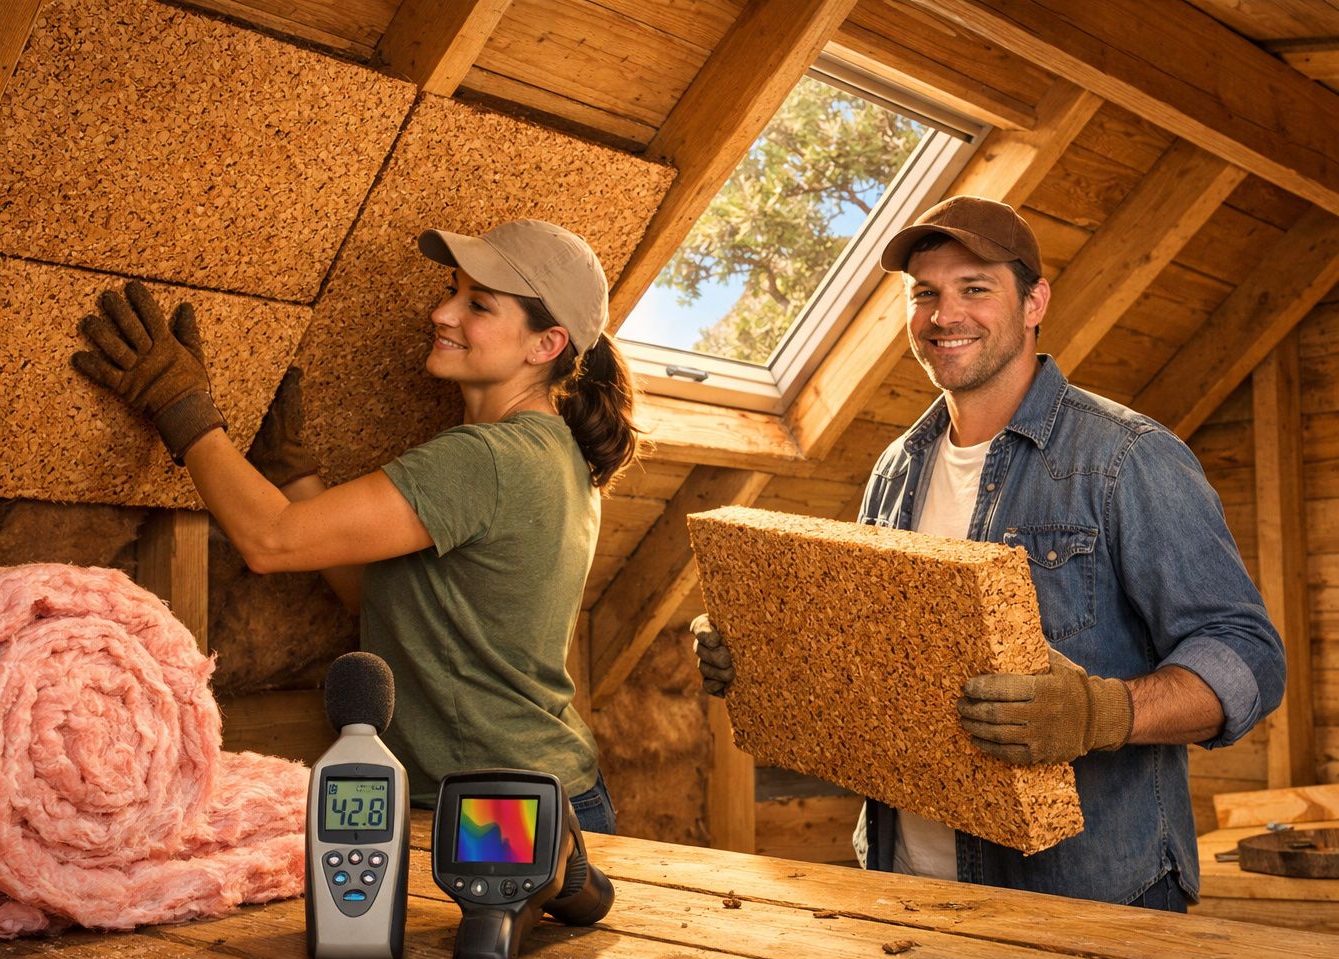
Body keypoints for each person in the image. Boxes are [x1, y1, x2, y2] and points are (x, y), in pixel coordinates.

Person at [691, 195, 1285, 908]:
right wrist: (764, 652)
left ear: (1035, 302)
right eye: (926, 295)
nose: (945, 316)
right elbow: (875, 661)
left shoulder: (1127, 459)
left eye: (975, 289)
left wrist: (1103, 713)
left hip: (1087, 898)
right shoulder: (895, 469)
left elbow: (1249, 656)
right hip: (902, 881)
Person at [72, 219, 640, 834]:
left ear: (546, 345)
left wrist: (177, 403)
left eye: (477, 305)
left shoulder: (485, 460)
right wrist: (294, 475)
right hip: (540, 790)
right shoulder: (554, 453)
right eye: (453, 290)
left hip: (497, 810)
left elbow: (269, 540)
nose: (442, 313)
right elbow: (379, 597)